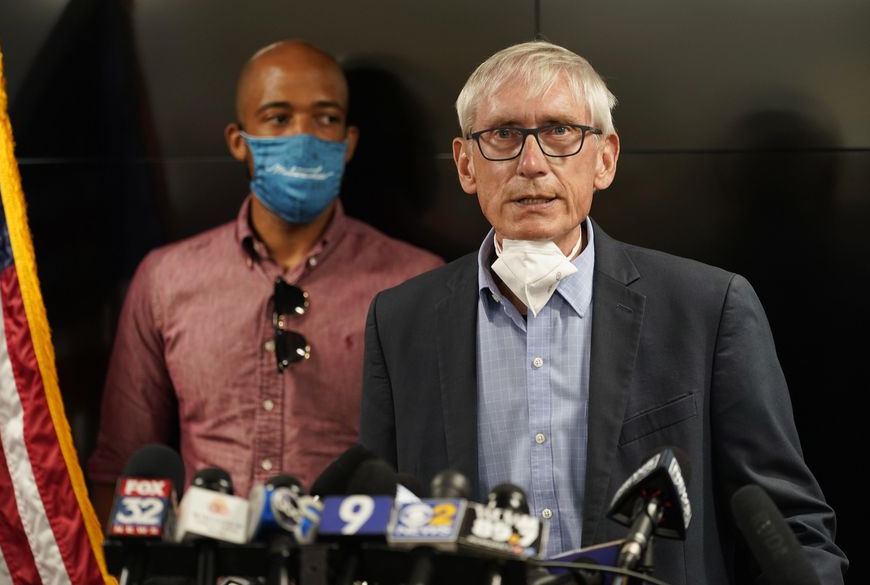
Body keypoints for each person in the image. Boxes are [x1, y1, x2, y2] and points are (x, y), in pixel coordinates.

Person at [359, 41, 847, 584]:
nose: (532, 163)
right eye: (503, 135)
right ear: (466, 164)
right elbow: (380, 533)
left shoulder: (706, 308)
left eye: (560, 132)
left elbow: (789, 525)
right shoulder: (401, 321)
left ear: (606, 159)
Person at [87, 40, 442, 514]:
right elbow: (120, 469)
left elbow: (434, 467)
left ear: (349, 141)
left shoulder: (413, 280)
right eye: (278, 118)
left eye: (326, 118)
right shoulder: (166, 278)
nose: (304, 137)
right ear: (239, 140)